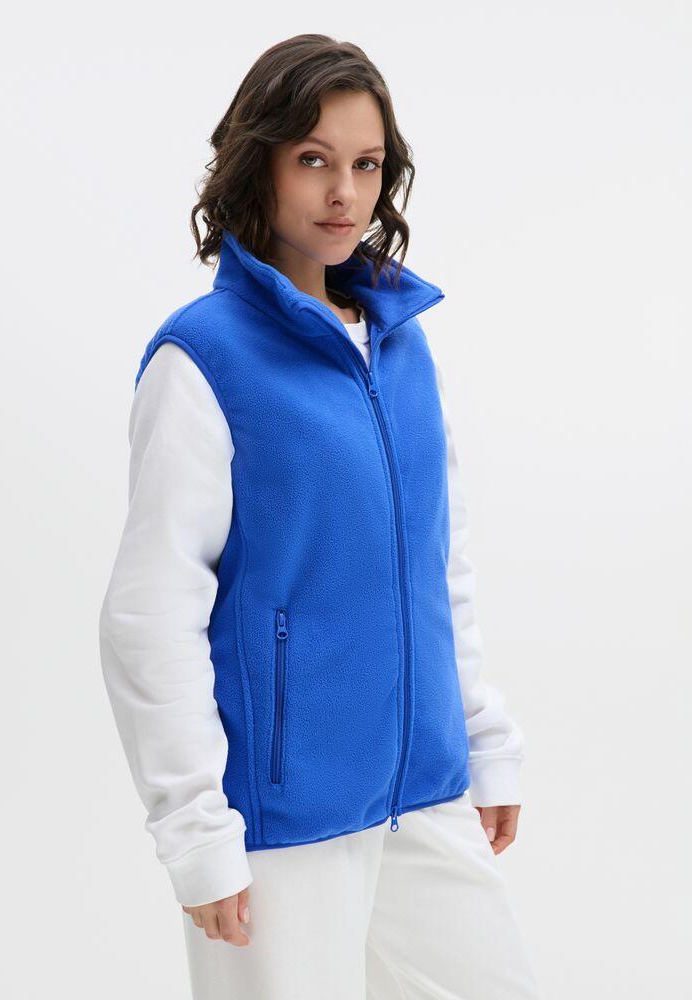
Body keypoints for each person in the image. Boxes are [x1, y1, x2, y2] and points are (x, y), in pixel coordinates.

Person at [99, 33, 542, 1000]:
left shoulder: (402, 346)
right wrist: (195, 830)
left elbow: (439, 568)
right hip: (282, 819)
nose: (345, 193)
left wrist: (484, 740)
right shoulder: (202, 360)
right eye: (313, 160)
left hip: (424, 789)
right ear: (257, 163)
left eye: (367, 164)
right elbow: (150, 614)